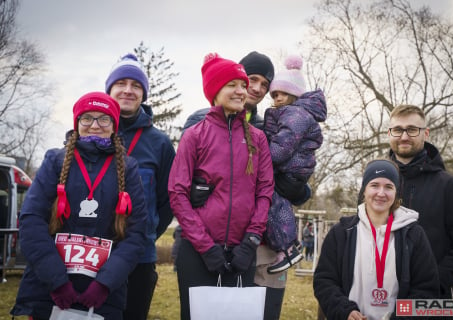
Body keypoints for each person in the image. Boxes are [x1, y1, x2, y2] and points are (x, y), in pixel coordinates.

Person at [10, 92, 148, 320]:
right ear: (77, 123)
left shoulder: (129, 168)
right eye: (87, 118)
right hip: (48, 291)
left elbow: (136, 233)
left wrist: (105, 284)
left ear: (114, 125)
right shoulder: (54, 161)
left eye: (103, 119)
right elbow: (31, 220)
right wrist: (56, 281)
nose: (95, 125)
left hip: (103, 297)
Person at [168, 52, 274, 320]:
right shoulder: (194, 135)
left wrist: (250, 241)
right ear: (215, 90)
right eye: (233, 85)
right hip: (198, 252)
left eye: (242, 85)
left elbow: (264, 192)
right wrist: (206, 247)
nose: (242, 91)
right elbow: (177, 194)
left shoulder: (258, 139)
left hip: (242, 251)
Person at [313, 159, 439, 320]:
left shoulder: (413, 235)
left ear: (396, 193)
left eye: (388, 187)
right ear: (364, 191)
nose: (381, 193)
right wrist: (344, 311)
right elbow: (324, 282)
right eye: (374, 185)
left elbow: (426, 289)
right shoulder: (341, 233)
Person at [105, 53, 176, 320]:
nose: (128, 90)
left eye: (136, 86)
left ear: (143, 94)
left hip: (139, 257)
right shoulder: (92, 130)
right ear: (109, 89)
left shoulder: (160, 144)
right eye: (121, 83)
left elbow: (167, 201)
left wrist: (144, 234)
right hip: (93, 252)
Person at [387, 104, 453, 298]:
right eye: (397, 130)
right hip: (380, 298)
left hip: (431, 302)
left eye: (412, 129)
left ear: (426, 133)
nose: (404, 136)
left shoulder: (449, 185)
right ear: (389, 133)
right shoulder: (375, 185)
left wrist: (434, 282)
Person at [263, 55, 326, 274]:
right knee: (274, 202)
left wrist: (263, 158)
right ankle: (285, 247)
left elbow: (282, 147)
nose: (276, 98)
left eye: (281, 93)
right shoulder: (292, 112)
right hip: (291, 169)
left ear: (294, 94)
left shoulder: (296, 114)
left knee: (275, 204)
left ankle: (288, 248)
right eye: (274, 95)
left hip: (291, 169)